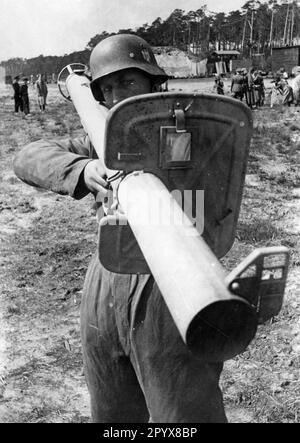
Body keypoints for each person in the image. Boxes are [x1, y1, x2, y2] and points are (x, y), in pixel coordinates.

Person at [14, 34, 227, 423]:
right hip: (106, 278)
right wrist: (82, 169)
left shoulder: (192, 133)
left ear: (153, 84)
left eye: (128, 82)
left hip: (172, 283)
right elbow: (28, 156)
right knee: (113, 412)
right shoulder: (101, 142)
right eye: (108, 88)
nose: (118, 96)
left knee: (183, 412)